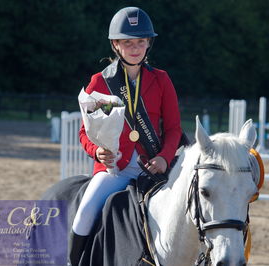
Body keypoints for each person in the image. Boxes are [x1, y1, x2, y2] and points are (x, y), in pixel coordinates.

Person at [70, 6, 182, 265]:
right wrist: (96, 151)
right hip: (113, 169)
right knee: (84, 213)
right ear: (116, 45)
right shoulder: (100, 81)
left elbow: (174, 128)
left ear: (148, 44)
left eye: (141, 42)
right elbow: (85, 132)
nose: (135, 48)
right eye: (128, 42)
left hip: (152, 167)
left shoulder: (162, 80)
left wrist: (165, 158)